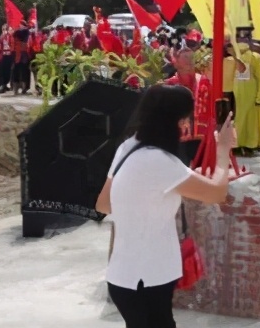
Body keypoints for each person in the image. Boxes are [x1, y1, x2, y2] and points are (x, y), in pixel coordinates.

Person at [94, 85, 235, 328]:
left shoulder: (128, 147)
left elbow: (104, 204)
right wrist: (223, 150)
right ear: (175, 121)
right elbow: (217, 193)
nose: (186, 126)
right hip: (148, 276)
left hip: (123, 275)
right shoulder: (159, 161)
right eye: (185, 120)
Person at [164, 48, 215, 165]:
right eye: (185, 57)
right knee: (180, 168)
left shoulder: (204, 81)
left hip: (201, 135)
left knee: (202, 168)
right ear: (176, 62)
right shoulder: (171, 84)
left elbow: (211, 106)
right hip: (178, 135)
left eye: (192, 57)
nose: (189, 60)